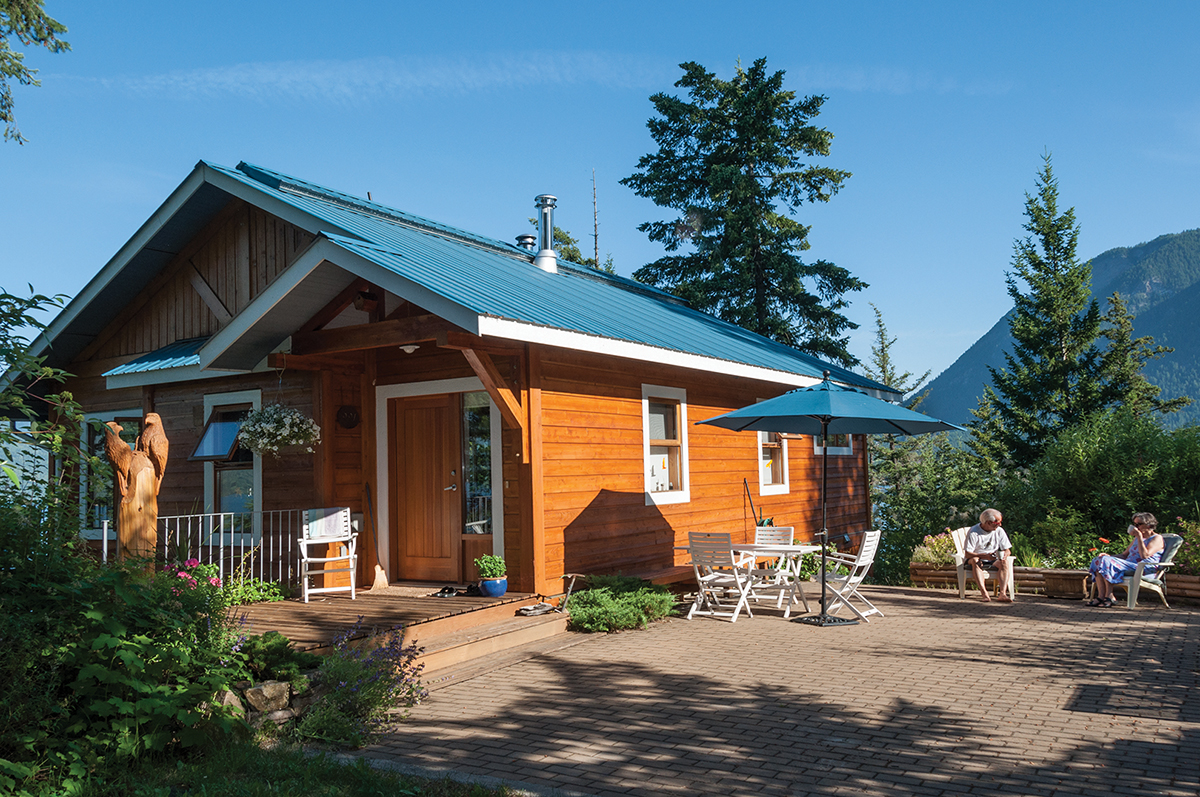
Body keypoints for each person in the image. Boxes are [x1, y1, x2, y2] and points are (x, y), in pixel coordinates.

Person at [1087, 512, 1164, 608]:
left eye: (1138, 524)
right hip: (1129, 565)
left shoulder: (1157, 538)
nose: (1136, 527)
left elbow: (1145, 555)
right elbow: (1124, 555)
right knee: (1098, 560)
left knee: (1105, 561)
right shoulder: (1136, 538)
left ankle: (1109, 596)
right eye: (1134, 524)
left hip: (1143, 567)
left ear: (1149, 525)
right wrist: (1109, 557)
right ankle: (1101, 596)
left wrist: (1139, 537)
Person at [962, 508, 1013, 602]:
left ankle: (1003, 594)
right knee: (976, 560)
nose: (1000, 525)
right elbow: (968, 554)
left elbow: (1007, 550)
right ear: (988, 522)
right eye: (998, 522)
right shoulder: (974, 532)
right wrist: (984, 556)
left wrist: (1005, 554)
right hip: (976, 558)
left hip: (993, 559)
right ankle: (984, 593)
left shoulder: (999, 531)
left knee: (1004, 563)